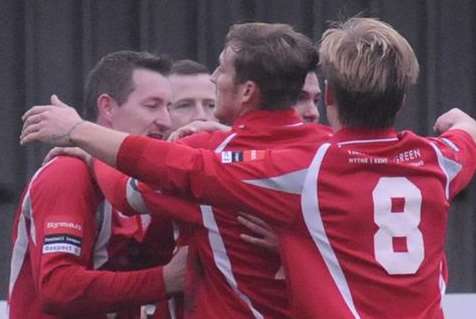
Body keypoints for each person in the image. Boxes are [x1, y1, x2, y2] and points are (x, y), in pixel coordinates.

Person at [21, 18, 476, 318]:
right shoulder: (440, 158)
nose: (213, 78)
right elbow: (466, 136)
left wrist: (82, 136)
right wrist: (462, 121)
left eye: (220, 71)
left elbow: (138, 185)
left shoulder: (297, 171)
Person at [10, 50, 185, 319]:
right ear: (107, 107)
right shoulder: (69, 172)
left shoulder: (140, 181)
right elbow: (58, 287)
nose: (166, 120)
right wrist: (165, 280)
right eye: (152, 106)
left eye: (170, 107)